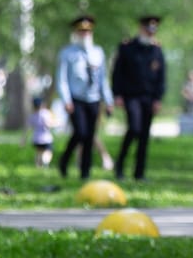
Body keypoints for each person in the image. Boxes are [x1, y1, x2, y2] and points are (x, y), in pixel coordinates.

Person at [56, 14, 114, 180]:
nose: (85, 35)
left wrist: (108, 100)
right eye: (81, 32)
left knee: (89, 136)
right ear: (76, 33)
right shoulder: (67, 53)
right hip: (76, 99)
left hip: (93, 99)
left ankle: (85, 171)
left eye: (88, 32)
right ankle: (65, 160)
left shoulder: (98, 52)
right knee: (81, 132)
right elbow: (62, 79)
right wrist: (66, 100)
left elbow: (103, 79)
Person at [111, 15, 166, 181]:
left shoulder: (157, 50)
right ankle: (120, 165)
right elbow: (117, 73)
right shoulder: (127, 47)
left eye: (153, 30)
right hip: (131, 96)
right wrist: (117, 94)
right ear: (141, 28)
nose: (151, 33)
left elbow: (161, 76)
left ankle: (139, 173)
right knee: (134, 128)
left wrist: (158, 98)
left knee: (144, 136)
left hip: (149, 98)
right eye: (148, 29)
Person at [26, 96, 58, 167]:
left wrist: (24, 139)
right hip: (46, 138)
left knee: (38, 152)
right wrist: (56, 124)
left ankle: (38, 166)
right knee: (48, 152)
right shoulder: (45, 114)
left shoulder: (32, 115)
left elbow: (28, 128)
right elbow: (48, 124)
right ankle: (45, 162)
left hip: (36, 138)